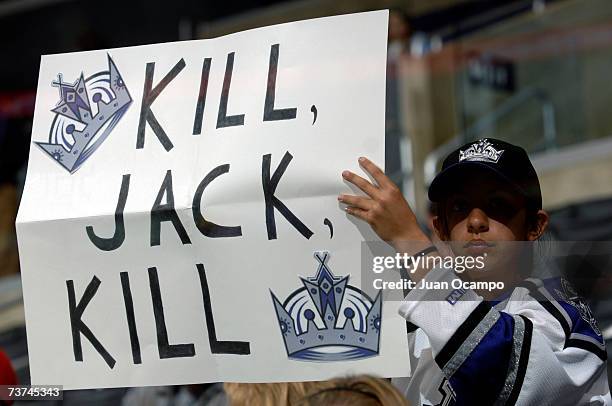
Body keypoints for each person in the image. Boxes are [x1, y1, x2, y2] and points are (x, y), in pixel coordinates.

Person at [339, 138, 611, 405]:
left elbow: (497, 371)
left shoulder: (563, 315)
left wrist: (410, 241)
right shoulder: (407, 328)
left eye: (497, 205)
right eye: (460, 207)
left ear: (534, 226)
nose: (476, 221)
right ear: (441, 229)